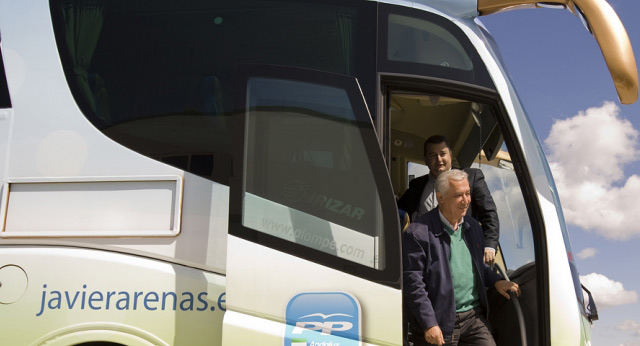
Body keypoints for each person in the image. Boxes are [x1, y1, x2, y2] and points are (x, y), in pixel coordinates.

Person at [402, 169, 519, 346]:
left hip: (473, 318)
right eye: (459, 195)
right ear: (440, 197)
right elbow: (414, 284)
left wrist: (496, 281)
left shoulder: (473, 227)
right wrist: (429, 324)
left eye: (468, 193)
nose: (466, 201)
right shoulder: (417, 233)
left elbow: (477, 267)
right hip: (439, 319)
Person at [397, 135, 499, 265]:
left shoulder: (471, 177)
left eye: (442, 154)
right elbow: (396, 211)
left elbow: (489, 213)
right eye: (433, 155)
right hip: (426, 258)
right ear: (426, 159)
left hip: (462, 256)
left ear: (450, 155)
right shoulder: (416, 186)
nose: (439, 159)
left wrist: (489, 245)